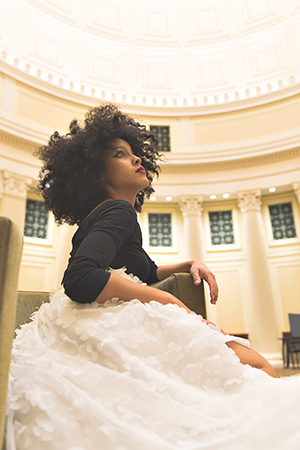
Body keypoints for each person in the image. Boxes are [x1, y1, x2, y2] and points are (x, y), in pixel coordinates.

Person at [6, 104, 300, 450]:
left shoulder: (108, 215)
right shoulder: (118, 211)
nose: (136, 160)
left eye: (134, 153)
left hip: (85, 320)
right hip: (108, 319)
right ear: (99, 177)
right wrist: (175, 304)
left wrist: (185, 264)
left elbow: (143, 271)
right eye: (120, 154)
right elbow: (81, 277)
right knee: (258, 368)